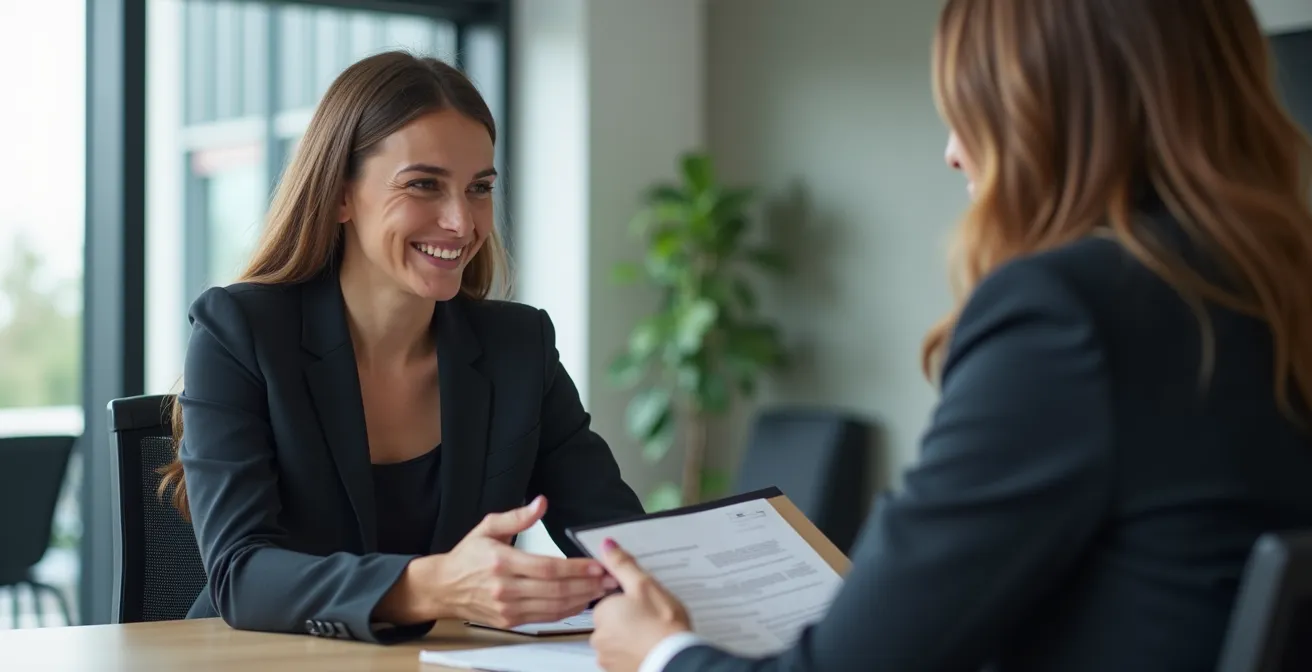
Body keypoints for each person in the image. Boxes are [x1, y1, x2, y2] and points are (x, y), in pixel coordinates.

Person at [587, 0, 1312, 670]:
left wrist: (661, 653)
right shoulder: (1270, 291)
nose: (953, 151)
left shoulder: (1068, 315)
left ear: (1053, 116)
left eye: (973, 110)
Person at [159, 51, 645, 644]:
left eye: (479, 189)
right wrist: (433, 586)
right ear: (340, 195)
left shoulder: (519, 347)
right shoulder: (240, 332)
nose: (461, 222)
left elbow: (620, 543)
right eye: (423, 185)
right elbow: (243, 575)